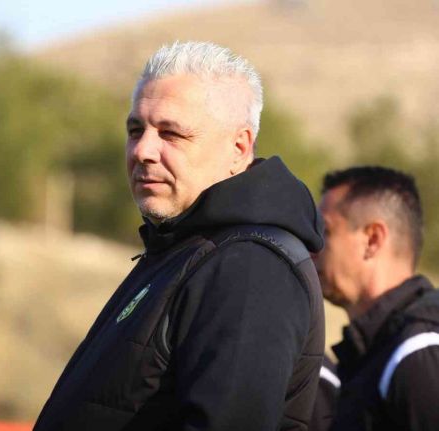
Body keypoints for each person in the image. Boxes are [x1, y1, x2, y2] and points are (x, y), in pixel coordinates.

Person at [33, 41, 325, 431]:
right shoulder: (182, 249)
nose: (143, 151)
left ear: (239, 148)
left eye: (171, 134)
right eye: (135, 130)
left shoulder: (250, 267)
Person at [313, 166, 439, 430]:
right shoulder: (373, 351)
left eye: (325, 231)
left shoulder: (419, 353)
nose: (313, 248)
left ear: (372, 239)